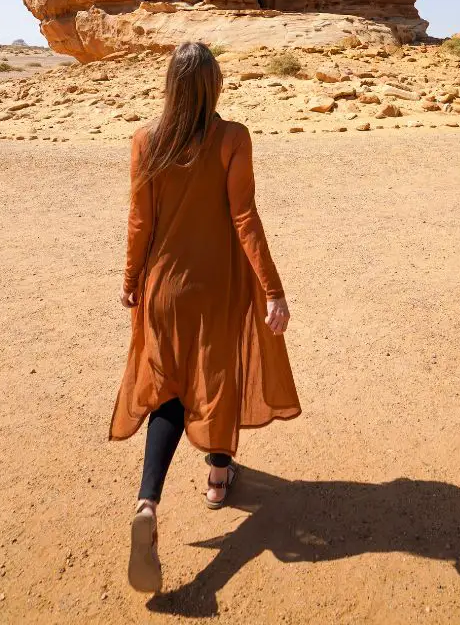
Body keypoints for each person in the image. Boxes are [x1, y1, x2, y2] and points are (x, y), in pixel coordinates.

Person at [109, 41, 301, 593]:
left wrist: (129, 283)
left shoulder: (146, 140)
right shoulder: (232, 137)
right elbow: (244, 218)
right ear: (214, 85)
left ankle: (148, 502)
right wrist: (272, 289)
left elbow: (138, 225)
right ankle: (219, 479)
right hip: (216, 287)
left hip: (163, 289)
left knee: (168, 389)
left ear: (170, 86)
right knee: (216, 378)